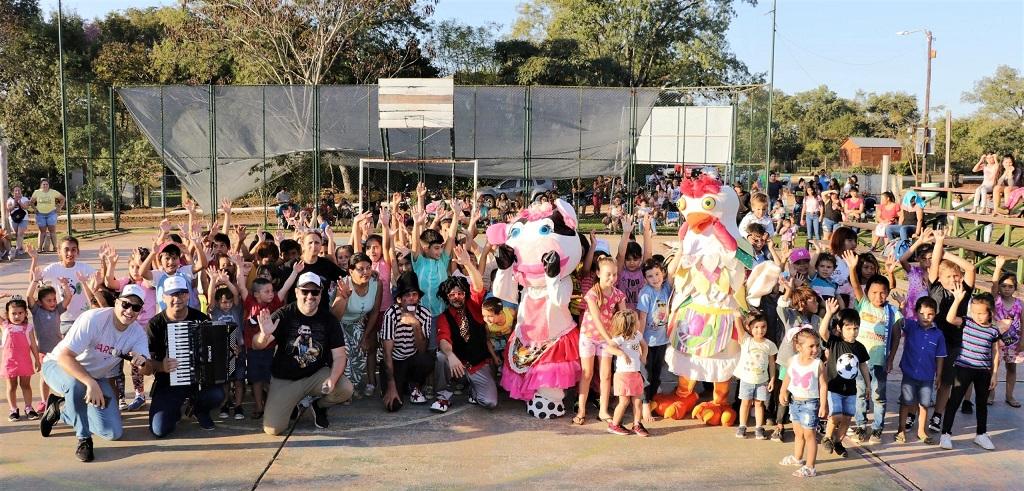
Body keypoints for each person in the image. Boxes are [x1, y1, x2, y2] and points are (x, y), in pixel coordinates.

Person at [39, 286, 149, 462]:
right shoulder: (93, 319)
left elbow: (146, 366)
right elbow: (65, 357)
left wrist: (141, 360)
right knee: (77, 385)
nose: (129, 311)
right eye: (126, 304)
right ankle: (84, 439)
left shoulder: (137, 334)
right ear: (117, 301)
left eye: (136, 307)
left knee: (113, 432)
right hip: (58, 365)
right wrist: (90, 383)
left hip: (95, 378)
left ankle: (60, 409)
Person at [254, 272, 354, 434]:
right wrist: (263, 336)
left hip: (316, 375)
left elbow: (340, 356)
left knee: (346, 388)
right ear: (296, 292)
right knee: (273, 429)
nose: (310, 296)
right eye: (304, 291)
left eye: (314, 292)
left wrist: (333, 379)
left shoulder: (328, 319)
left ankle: (318, 406)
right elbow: (257, 345)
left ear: (320, 294)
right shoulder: (284, 315)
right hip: (286, 379)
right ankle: (293, 403)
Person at [144, 276, 224, 436]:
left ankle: (199, 410)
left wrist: (227, 352)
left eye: (181, 294)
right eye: (172, 294)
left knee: (217, 395)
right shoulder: (155, 325)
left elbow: (215, 350)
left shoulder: (201, 319)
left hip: (199, 381)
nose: (177, 299)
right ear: (164, 297)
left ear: (188, 295)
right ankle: (176, 410)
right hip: (168, 383)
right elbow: (147, 364)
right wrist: (161, 366)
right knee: (159, 430)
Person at [939, 288, 1017, 450]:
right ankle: (946, 434)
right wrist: (957, 300)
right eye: (975, 312)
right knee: (954, 401)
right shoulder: (967, 322)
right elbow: (950, 318)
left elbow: (995, 352)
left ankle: (981, 434)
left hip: (983, 371)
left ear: (990, 312)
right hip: (963, 368)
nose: (977, 316)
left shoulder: (994, 330)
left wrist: (994, 373)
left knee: (981, 403)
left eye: (981, 313)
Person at [844, 251, 903, 443]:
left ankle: (877, 428)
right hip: (861, 360)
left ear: (888, 292)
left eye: (883, 292)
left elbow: (896, 337)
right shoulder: (864, 305)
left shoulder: (892, 311)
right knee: (861, 393)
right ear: (867, 293)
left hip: (880, 362)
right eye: (874, 292)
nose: (879, 296)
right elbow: (854, 285)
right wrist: (853, 267)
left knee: (878, 396)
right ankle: (861, 426)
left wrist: (891, 359)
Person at [432, 245, 499, 412]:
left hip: (478, 364)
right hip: (458, 365)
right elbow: (443, 341)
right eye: (452, 295)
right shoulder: (444, 317)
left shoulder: (475, 305)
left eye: (460, 293)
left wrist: (468, 264)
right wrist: (450, 355)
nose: (456, 297)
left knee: (490, 402)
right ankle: (443, 394)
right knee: (441, 357)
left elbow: (477, 286)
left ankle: (474, 390)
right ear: (447, 297)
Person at [926, 230, 976, 432]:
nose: (954, 278)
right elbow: (935, 263)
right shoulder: (935, 287)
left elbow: (970, 268)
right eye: (948, 275)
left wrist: (949, 256)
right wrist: (939, 243)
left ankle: (937, 415)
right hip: (930, 339)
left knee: (946, 381)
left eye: (957, 275)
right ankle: (913, 413)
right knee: (923, 378)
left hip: (953, 341)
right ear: (939, 276)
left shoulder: (964, 290)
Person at [102, 245, 157, 411]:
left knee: (152, 363)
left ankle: (159, 389)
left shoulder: (150, 281)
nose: (136, 270)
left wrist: (144, 262)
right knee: (135, 364)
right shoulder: (127, 283)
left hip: (150, 330)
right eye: (132, 266)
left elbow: (146, 276)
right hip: (132, 331)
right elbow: (109, 282)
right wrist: (110, 264)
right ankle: (140, 394)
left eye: (139, 265)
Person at [573, 256, 627, 425]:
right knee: (587, 373)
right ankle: (581, 409)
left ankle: (603, 410)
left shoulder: (618, 294)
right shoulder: (592, 294)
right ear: (598, 273)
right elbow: (596, 318)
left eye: (615, 275)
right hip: (589, 337)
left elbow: (622, 316)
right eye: (608, 275)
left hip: (607, 339)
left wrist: (623, 337)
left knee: (605, 375)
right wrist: (609, 339)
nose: (612, 278)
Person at [818, 300, 870, 458]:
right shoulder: (835, 342)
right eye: (848, 328)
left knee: (847, 418)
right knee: (836, 416)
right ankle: (827, 437)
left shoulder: (860, 347)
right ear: (840, 328)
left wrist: (868, 385)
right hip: (834, 387)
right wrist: (829, 313)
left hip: (851, 390)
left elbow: (863, 367)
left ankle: (838, 441)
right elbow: (822, 332)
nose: (853, 332)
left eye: (856, 328)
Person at [890, 297, 945, 444]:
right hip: (909, 373)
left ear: (935, 314)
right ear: (916, 313)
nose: (925, 317)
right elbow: (900, 321)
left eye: (930, 314)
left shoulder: (938, 334)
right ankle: (901, 429)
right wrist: (902, 307)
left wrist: (938, 375)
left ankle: (921, 431)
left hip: (927, 376)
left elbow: (940, 356)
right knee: (906, 403)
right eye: (921, 313)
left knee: (924, 404)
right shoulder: (911, 326)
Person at [378, 272, 433, 411]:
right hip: (394, 361)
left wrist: (415, 325)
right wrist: (391, 386)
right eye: (407, 296)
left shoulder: (425, 314)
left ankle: (415, 385)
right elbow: (387, 353)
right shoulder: (391, 314)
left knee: (428, 359)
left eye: (414, 295)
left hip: (412, 359)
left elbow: (422, 350)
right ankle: (397, 385)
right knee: (393, 406)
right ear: (399, 299)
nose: (411, 299)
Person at [779, 328, 828, 478]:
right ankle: (797, 457)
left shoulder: (818, 364)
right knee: (798, 433)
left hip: (810, 404)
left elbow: (823, 385)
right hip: (795, 402)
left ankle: (810, 467)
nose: (815, 349)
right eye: (811, 346)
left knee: (810, 435)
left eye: (817, 346)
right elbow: (788, 377)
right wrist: (782, 391)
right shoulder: (793, 360)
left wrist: (824, 404)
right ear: (798, 347)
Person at [331, 253, 382, 397]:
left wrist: (366, 336)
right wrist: (343, 298)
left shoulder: (377, 283)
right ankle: (341, 390)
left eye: (368, 268)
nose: (365, 272)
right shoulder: (343, 284)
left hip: (358, 322)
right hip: (338, 323)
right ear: (351, 271)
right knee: (345, 350)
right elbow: (334, 316)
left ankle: (351, 387)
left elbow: (374, 312)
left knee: (361, 348)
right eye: (360, 269)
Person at [25, 266, 73, 412]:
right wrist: (34, 281)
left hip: (59, 350)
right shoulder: (37, 311)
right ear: (40, 302)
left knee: (64, 374)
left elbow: (68, 298)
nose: (53, 303)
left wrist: (64, 285)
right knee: (45, 378)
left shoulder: (58, 310)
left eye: (54, 300)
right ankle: (44, 401)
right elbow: (29, 297)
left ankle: (66, 400)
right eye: (49, 300)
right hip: (44, 351)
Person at [34, 237, 97, 336]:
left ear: (78, 251)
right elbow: (35, 278)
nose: (70, 253)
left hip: (84, 318)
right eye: (66, 249)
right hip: (63, 319)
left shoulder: (84, 268)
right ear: (59, 251)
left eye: (73, 250)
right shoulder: (54, 268)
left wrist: (106, 264)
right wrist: (34, 259)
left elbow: (100, 280)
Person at [636, 258, 672, 423]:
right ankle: (644, 403)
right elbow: (642, 318)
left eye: (657, 274)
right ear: (645, 279)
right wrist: (639, 341)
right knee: (646, 373)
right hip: (647, 341)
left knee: (657, 373)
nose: (655, 278)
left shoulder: (666, 288)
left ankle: (651, 400)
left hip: (662, 340)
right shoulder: (645, 293)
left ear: (662, 273)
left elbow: (673, 269)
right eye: (650, 276)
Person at [604, 310, 648, 436]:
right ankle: (614, 425)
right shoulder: (620, 338)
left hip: (635, 373)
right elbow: (609, 347)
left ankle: (637, 424)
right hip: (623, 375)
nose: (639, 322)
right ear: (630, 324)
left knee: (638, 401)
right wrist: (621, 353)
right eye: (636, 321)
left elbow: (644, 346)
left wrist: (643, 356)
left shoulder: (637, 335)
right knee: (624, 402)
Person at [734, 313, 778, 441]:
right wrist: (737, 314)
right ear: (749, 328)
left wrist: (772, 379)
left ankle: (759, 427)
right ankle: (742, 426)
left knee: (759, 404)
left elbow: (772, 364)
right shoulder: (746, 340)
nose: (760, 330)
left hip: (762, 381)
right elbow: (738, 325)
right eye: (756, 327)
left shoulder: (769, 344)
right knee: (745, 403)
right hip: (746, 380)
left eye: (763, 326)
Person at [2, 295, 41, 421]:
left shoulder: (28, 328)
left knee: (26, 385)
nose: (17, 316)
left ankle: (28, 408)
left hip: (24, 361)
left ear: (25, 313)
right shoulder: (5, 326)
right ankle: (13, 409)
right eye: (13, 313)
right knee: (11, 387)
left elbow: (33, 345)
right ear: (7, 314)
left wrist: (37, 359)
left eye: (20, 313)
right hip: (9, 362)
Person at [992, 256, 1023, 407]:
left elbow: (1023, 323)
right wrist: (998, 267)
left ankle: (1009, 396)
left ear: (1015, 288)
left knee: (1012, 368)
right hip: (997, 341)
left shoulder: (1019, 304)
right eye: (1003, 286)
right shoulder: (996, 300)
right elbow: (993, 287)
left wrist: (1022, 341)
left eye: (1010, 286)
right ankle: (990, 394)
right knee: (994, 367)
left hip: (1014, 342)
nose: (1007, 289)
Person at [29, 179, 64, 253]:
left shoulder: (53, 192)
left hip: (51, 213)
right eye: (43, 184)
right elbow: (31, 202)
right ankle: (39, 248)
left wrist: (59, 207)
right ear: (41, 185)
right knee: (42, 231)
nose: (45, 186)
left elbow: (62, 198)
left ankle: (55, 247)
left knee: (52, 230)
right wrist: (34, 208)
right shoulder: (37, 192)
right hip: (40, 214)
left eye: (46, 184)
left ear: (49, 185)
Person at [6, 186, 30, 257]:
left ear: (21, 191)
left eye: (19, 190)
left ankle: (16, 251)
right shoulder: (10, 199)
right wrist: (14, 204)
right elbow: (8, 208)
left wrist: (20, 203)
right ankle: (21, 248)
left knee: (20, 233)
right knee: (17, 234)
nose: (17, 192)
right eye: (15, 190)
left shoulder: (25, 198)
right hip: (13, 219)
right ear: (13, 192)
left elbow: (26, 207)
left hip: (23, 218)